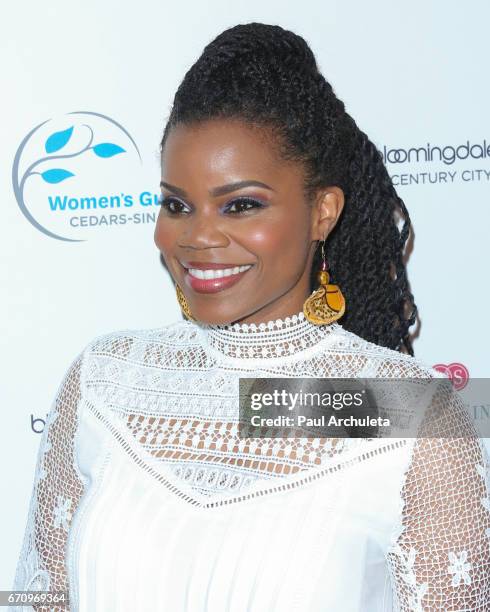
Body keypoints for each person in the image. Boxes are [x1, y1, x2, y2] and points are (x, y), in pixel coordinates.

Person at [13, 22, 490, 612]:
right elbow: (45, 598)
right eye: (176, 205)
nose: (198, 236)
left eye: (241, 205)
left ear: (323, 212)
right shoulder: (104, 379)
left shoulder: (406, 413)